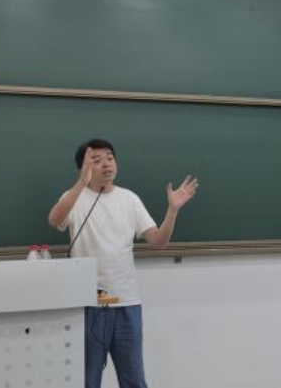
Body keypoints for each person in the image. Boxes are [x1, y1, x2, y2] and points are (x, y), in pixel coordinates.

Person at [48, 138, 198, 388]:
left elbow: (158, 241)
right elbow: (54, 220)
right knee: (87, 380)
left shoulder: (129, 199)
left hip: (126, 303)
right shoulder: (73, 197)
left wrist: (172, 210)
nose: (106, 164)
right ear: (83, 167)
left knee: (135, 381)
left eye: (110, 158)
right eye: (96, 160)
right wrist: (81, 183)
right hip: (87, 305)